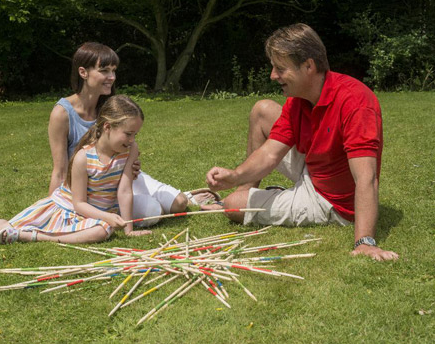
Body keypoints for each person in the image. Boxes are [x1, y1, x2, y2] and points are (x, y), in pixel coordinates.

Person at [204, 23, 398, 261]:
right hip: (314, 166)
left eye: (280, 69)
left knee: (234, 206)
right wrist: (235, 176)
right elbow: (270, 154)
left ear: (308, 66)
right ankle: (245, 189)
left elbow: (366, 177)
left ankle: (247, 197)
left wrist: (365, 242)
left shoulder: (355, 102)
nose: (273, 75)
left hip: (330, 201)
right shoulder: (298, 100)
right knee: (262, 110)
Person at [48, 42, 218, 227]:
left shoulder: (110, 106)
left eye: (114, 70)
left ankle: (187, 196)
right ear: (83, 72)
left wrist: (129, 164)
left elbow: (125, 146)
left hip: (122, 178)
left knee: (179, 203)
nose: (111, 77)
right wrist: (51, 210)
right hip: (91, 189)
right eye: (104, 70)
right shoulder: (63, 113)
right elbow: (60, 171)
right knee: (152, 212)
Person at [0, 95, 151, 244]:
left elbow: (124, 190)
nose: (132, 140)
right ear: (107, 127)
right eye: (128, 134)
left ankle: (29, 236)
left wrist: (128, 230)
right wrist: (107, 217)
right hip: (69, 210)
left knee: (102, 230)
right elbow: (79, 204)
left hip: (98, 215)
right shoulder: (84, 157)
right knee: (8, 226)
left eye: (136, 134)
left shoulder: (129, 149)